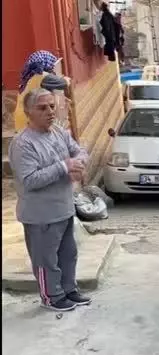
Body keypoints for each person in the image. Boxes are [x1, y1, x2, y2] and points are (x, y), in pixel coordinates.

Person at [8, 88, 92, 312]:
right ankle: (51, 296)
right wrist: (64, 166)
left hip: (64, 208)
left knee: (68, 254)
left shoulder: (58, 132)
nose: (50, 112)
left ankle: (68, 290)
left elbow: (80, 151)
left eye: (52, 106)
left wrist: (79, 165)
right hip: (40, 214)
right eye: (42, 108)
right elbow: (30, 180)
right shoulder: (23, 143)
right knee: (46, 259)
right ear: (28, 112)